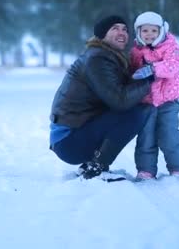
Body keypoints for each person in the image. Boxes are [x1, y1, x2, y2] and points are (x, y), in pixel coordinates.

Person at [49, 15, 156, 180]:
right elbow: (120, 100)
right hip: (69, 141)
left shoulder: (108, 56)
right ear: (102, 34)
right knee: (137, 112)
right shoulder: (97, 59)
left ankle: (93, 163)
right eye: (115, 29)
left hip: (72, 137)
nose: (122, 33)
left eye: (124, 29)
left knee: (136, 108)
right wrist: (149, 80)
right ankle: (96, 167)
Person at [129, 11, 179, 180]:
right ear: (138, 32)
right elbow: (131, 70)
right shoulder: (136, 51)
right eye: (145, 31)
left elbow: (172, 66)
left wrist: (153, 69)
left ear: (161, 31)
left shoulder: (172, 47)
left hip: (167, 101)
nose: (149, 34)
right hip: (146, 102)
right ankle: (146, 170)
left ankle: (178, 168)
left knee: (169, 134)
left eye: (154, 31)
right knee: (146, 136)